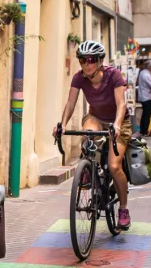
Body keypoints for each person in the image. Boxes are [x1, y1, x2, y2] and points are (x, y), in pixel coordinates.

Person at [52, 40, 133, 229]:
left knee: (114, 166)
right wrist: (62, 125)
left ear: (99, 61)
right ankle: (88, 169)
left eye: (90, 59)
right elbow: (71, 103)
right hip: (96, 117)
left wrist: (118, 125)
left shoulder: (113, 75)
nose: (86, 64)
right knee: (88, 134)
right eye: (82, 60)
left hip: (119, 122)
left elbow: (121, 104)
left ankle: (123, 208)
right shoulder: (79, 77)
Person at [137, 60, 151, 136]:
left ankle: (143, 130)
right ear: (150, 67)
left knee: (145, 115)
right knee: (147, 116)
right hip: (147, 97)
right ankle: (146, 131)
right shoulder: (146, 74)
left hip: (144, 97)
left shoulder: (143, 72)